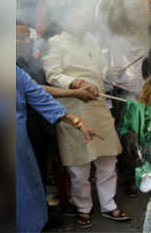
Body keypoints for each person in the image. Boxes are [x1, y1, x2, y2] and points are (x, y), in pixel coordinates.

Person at [42, 2, 129, 228]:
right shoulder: (55, 43)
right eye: (77, 17)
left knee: (108, 158)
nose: (82, 21)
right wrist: (75, 84)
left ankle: (108, 205)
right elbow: (52, 74)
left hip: (98, 106)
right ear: (64, 21)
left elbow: (100, 74)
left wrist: (111, 73)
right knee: (79, 163)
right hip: (74, 106)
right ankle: (83, 207)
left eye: (83, 17)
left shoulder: (91, 42)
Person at [16, 20, 96, 221]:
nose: (25, 42)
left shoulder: (19, 68)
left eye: (27, 37)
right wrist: (74, 91)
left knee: (32, 178)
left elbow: (37, 93)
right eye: (19, 37)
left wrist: (77, 121)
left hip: (27, 135)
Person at [16, 66, 102, 233]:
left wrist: (79, 123)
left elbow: (41, 97)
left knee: (25, 200)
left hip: (19, 154)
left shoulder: (15, 73)